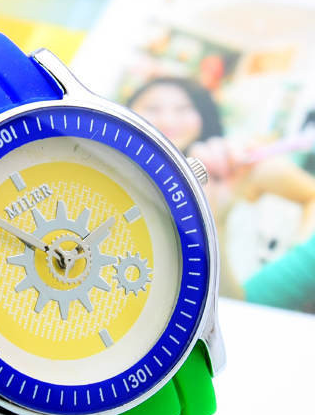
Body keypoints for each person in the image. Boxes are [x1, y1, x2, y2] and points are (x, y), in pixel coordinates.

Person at [127, 76, 315, 311]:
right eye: (153, 108)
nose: (168, 119)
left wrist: (297, 259)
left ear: (203, 114)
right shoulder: (127, 184)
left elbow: (311, 194)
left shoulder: (239, 165)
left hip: (241, 303)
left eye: (183, 109)